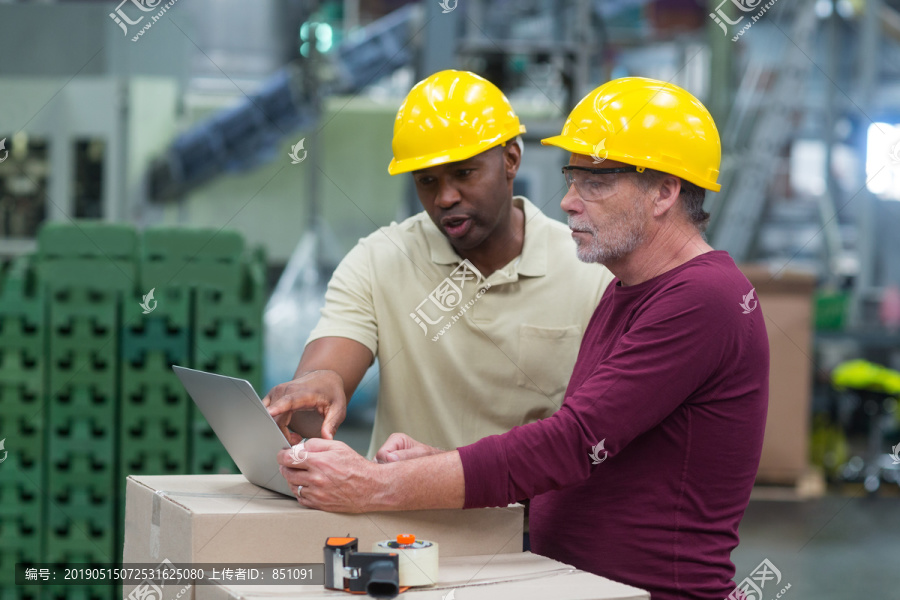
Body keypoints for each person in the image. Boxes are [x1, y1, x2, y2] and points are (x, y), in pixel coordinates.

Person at [275, 77, 770, 600]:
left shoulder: (705, 298)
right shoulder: (627, 291)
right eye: (571, 179)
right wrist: (435, 465)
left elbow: (573, 443)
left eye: (595, 182)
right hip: (575, 582)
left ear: (664, 191)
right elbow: (593, 466)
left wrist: (374, 487)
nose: (570, 202)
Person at [264, 70, 613, 456]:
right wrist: (314, 389)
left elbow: (597, 432)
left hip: (526, 515)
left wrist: (452, 475)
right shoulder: (379, 260)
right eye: (426, 181)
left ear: (511, 159)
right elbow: (327, 371)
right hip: (397, 511)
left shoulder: (589, 270)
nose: (445, 198)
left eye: (464, 173)